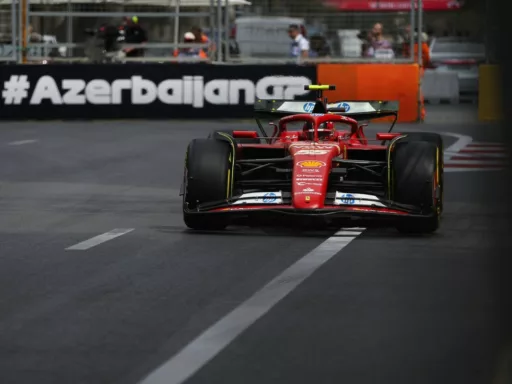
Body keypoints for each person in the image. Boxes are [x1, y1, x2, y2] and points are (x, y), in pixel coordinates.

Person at [402, 26, 431, 121]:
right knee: (416, 91)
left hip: (414, 68)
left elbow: (427, 57)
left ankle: (420, 114)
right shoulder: (412, 43)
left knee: (417, 92)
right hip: (415, 68)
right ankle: (416, 113)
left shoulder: (417, 43)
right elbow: (427, 57)